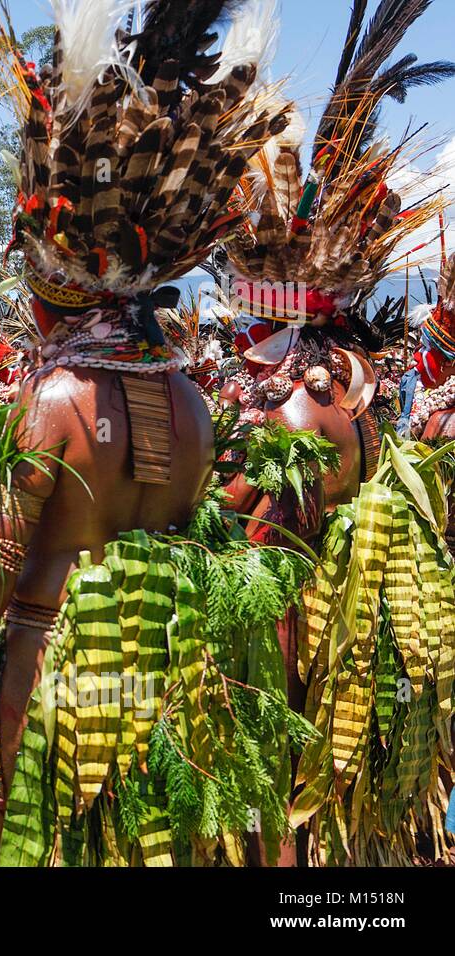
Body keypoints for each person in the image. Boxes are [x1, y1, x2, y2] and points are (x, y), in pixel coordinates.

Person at [0, 0, 294, 866]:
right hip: (162, 656)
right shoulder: (191, 397)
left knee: (32, 839)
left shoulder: (57, 397)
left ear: (54, 287)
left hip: (56, 661)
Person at [221, 2, 455, 865]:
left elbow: (258, 555)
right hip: (347, 642)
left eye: (242, 310)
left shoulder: (299, 399)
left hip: (303, 654)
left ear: (266, 304)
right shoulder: (351, 377)